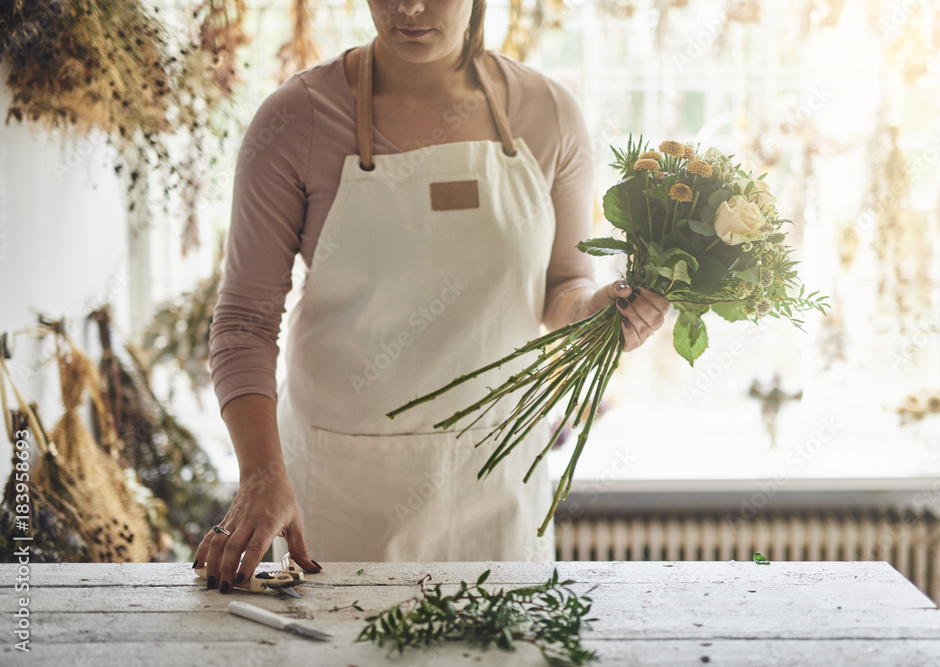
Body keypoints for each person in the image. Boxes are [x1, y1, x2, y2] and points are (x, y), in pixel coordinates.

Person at [196, 0, 669, 593]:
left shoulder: (547, 113)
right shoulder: (297, 120)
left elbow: (561, 283)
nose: (410, 7)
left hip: (497, 477)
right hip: (344, 490)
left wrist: (592, 313)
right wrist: (260, 475)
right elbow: (244, 322)